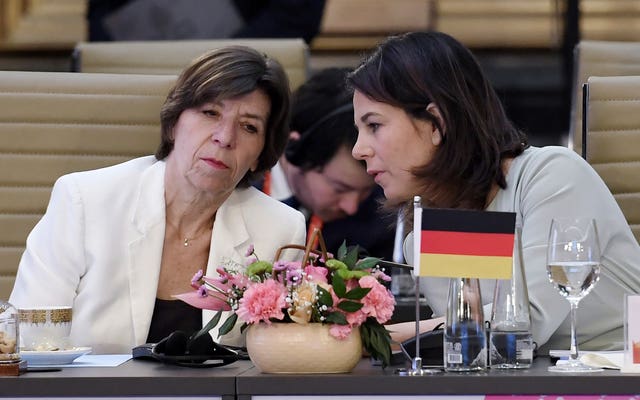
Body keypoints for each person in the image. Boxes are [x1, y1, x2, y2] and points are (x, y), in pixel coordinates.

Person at [347, 31, 640, 353]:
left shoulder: (553, 174)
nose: (359, 150)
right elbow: (468, 346)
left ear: (437, 124)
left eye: (374, 126)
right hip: (524, 385)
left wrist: (374, 339)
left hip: (621, 377)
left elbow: (524, 321)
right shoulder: (424, 233)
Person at [9, 46, 306, 354]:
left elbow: (276, 358)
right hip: (87, 399)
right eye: (210, 113)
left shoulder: (279, 229)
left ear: (260, 155)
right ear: (174, 123)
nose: (225, 137)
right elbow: (30, 341)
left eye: (249, 127)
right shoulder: (84, 201)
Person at [268, 67, 395, 260]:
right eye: (340, 188)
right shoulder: (235, 194)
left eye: (365, 191)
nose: (351, 207)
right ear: (296, 149)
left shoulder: (379, 221)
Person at [88, 0, 326, 44]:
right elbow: (101, 13)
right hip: (137, 71)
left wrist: (216, 57)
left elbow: (297, 15)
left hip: (238, 77)